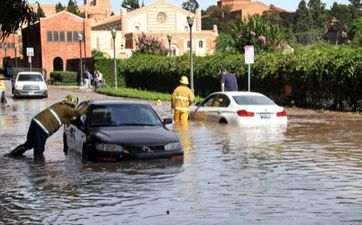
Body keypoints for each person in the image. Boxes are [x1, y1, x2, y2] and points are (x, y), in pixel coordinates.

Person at [5, 95, 88, 157]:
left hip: (35, 122)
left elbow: (67, 120)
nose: (74, 108)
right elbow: (78, 113)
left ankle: (10, 155)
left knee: (29, 144)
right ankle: (39, 172)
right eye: (74, 106)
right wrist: (87, 105)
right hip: (42, 128)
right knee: (39, 151)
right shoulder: (66, 108)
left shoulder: (59, 105)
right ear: (71, 104)